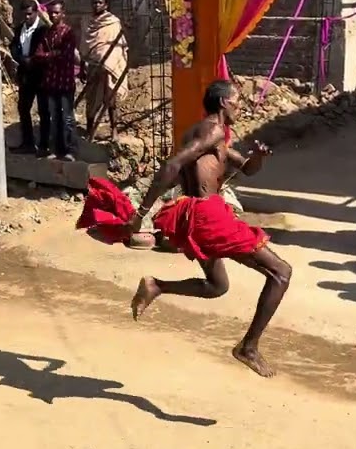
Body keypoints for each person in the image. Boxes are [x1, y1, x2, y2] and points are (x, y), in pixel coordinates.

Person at [118, 81, 291, 376]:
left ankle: (156, 286)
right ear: (223, 103)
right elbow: (172, 166)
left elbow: (247, 168)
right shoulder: (212, 131)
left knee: (217, 286)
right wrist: (141, 213)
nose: (240, 106)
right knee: (281, 273)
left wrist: (258, 157)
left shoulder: (207, 135)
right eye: (236, 101)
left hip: (194, 213)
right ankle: (248, 348)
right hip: (206, 215)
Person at [31, 0, 80, 160]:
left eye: (56, 12)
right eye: (51, 12)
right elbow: (38, 55)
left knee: (67, 118)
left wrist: (49, 56)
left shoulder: (68, 33)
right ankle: (57, 150)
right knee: (54, 118)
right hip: (51, 82)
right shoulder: (48, 33)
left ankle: (70, 150)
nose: (53, 15)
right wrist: (53, 54)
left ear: (63, 14)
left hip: (65, 82)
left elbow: (66, 55)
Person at [80, 0, 129, 140]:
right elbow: (84, 47)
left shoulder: (113, 23)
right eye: (94, 3)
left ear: (106, 5)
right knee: (91, 99)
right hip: (93, 66)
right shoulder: (87, 22)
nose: (97, 5)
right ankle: (89, 130)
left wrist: (109, 62)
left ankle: (114, 130)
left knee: (110, 99)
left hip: (108, 67)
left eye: (100, 3)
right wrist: (82, 66)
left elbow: (118, 46)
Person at [9, 3, 45, 153]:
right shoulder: (19, 29)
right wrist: (21, 59)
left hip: (41, 75)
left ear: (36, 13)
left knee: (44, 110)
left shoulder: (43, 29)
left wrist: (33, 60)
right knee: (23, 108)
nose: (27, 17)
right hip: (25, 74)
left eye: (30, 14)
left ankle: (44, 145)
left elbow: (45, 51)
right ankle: (28, 142)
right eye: (25, 14)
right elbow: (13, 46)